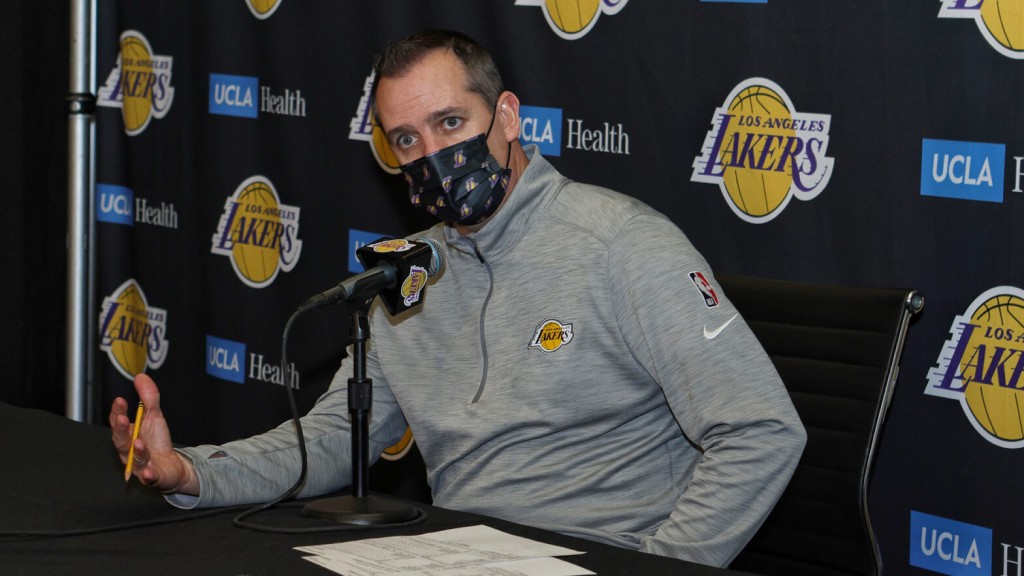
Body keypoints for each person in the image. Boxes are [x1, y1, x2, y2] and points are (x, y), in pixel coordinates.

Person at [110, 29, 806, 568]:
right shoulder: (411, 271)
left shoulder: (623, 244)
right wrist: (189, 471)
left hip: (602, 555)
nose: (431, 156)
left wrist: (656, 570)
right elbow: (332, 442)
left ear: (507, 116)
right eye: (405, 139)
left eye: (450, 124)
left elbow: (762, 432)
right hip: (454, 556)